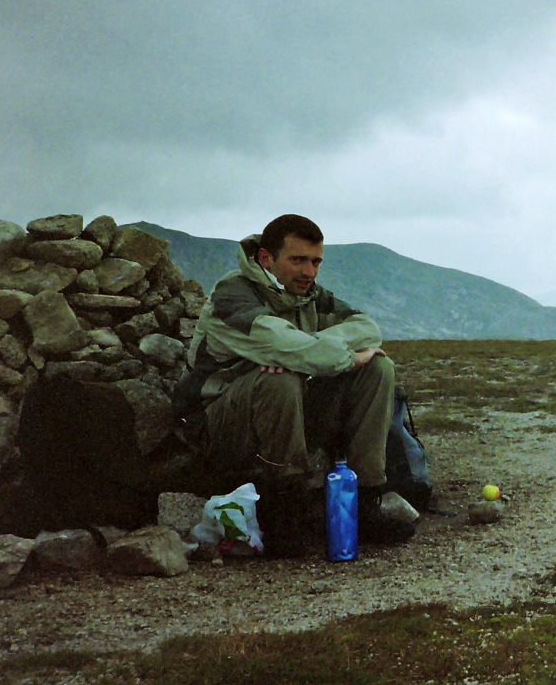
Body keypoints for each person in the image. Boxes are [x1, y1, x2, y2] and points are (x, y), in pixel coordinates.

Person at [173, 214, 415, 556]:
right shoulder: (232, 296)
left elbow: (367, 329)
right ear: (266, 258)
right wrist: (339, 357)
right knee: (281, 380)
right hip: (218, 425)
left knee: (378, 368)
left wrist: (304, 350)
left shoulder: (309, 296)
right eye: (298, 260)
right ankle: (284, 515)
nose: (309, 272)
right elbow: (287, 346)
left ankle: (363, 504)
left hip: (284, 415)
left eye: (316, 262)